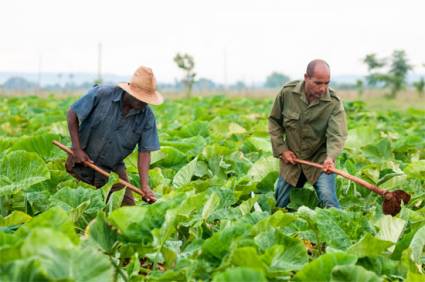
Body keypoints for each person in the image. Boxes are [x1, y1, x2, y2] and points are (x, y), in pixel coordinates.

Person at [66, 65, 163, 205]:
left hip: (112, 168)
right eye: (140, 98)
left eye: (146, 99)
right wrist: (76, 148)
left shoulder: (147, 117)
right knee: (79, 203)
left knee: (128, 209)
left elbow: (145, 152)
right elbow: (72, 113)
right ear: (129, 91)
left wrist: (145, 186)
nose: (143, 102)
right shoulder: (102, 94)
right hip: (81, 161)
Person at [268, 59, 347, 209]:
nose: (323, 88)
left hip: (320, 160)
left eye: (327, 83)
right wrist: (282, 150)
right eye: (318, 83)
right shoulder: (287, 93)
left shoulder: (334, 102)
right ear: (306, 77)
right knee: (281, 205)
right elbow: (274, 122)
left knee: (329, 200)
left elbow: (337, 134)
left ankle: (340, 229)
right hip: (292, 160)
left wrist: (330, 158)